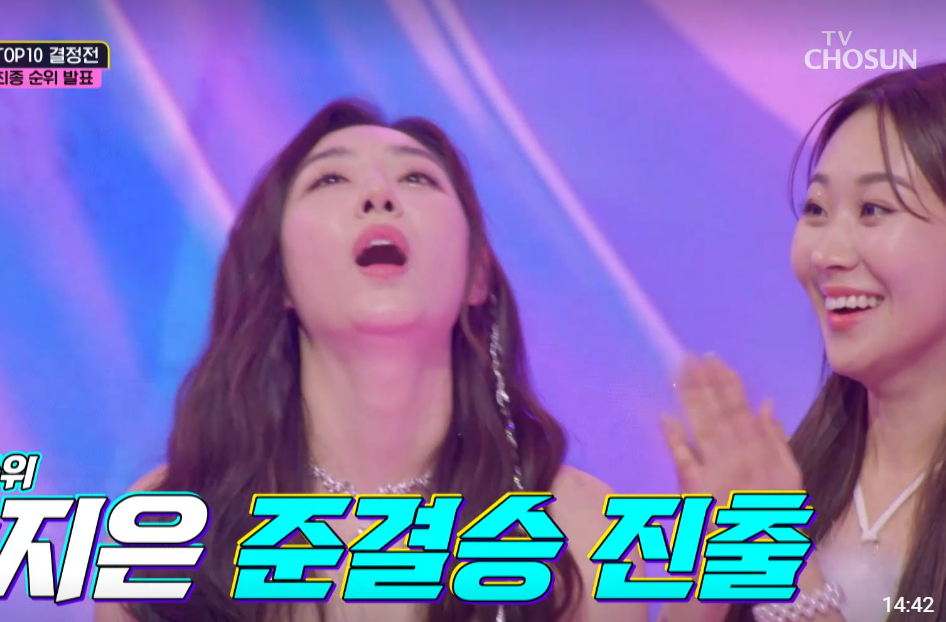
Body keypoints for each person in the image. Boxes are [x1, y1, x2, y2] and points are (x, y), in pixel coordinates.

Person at [96, 99, 648, 622]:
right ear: (280, 275)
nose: (379, 195)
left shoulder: (577, 528)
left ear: (477, 275)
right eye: (331, 179)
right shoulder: (168, 524)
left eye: (418, 178)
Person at [660, 62, 946, 622]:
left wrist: (782, 562)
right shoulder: (790, 474)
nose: (826, 253)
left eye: (873, 210)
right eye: (816, 209)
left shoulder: (773, 503)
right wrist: (712, 563)